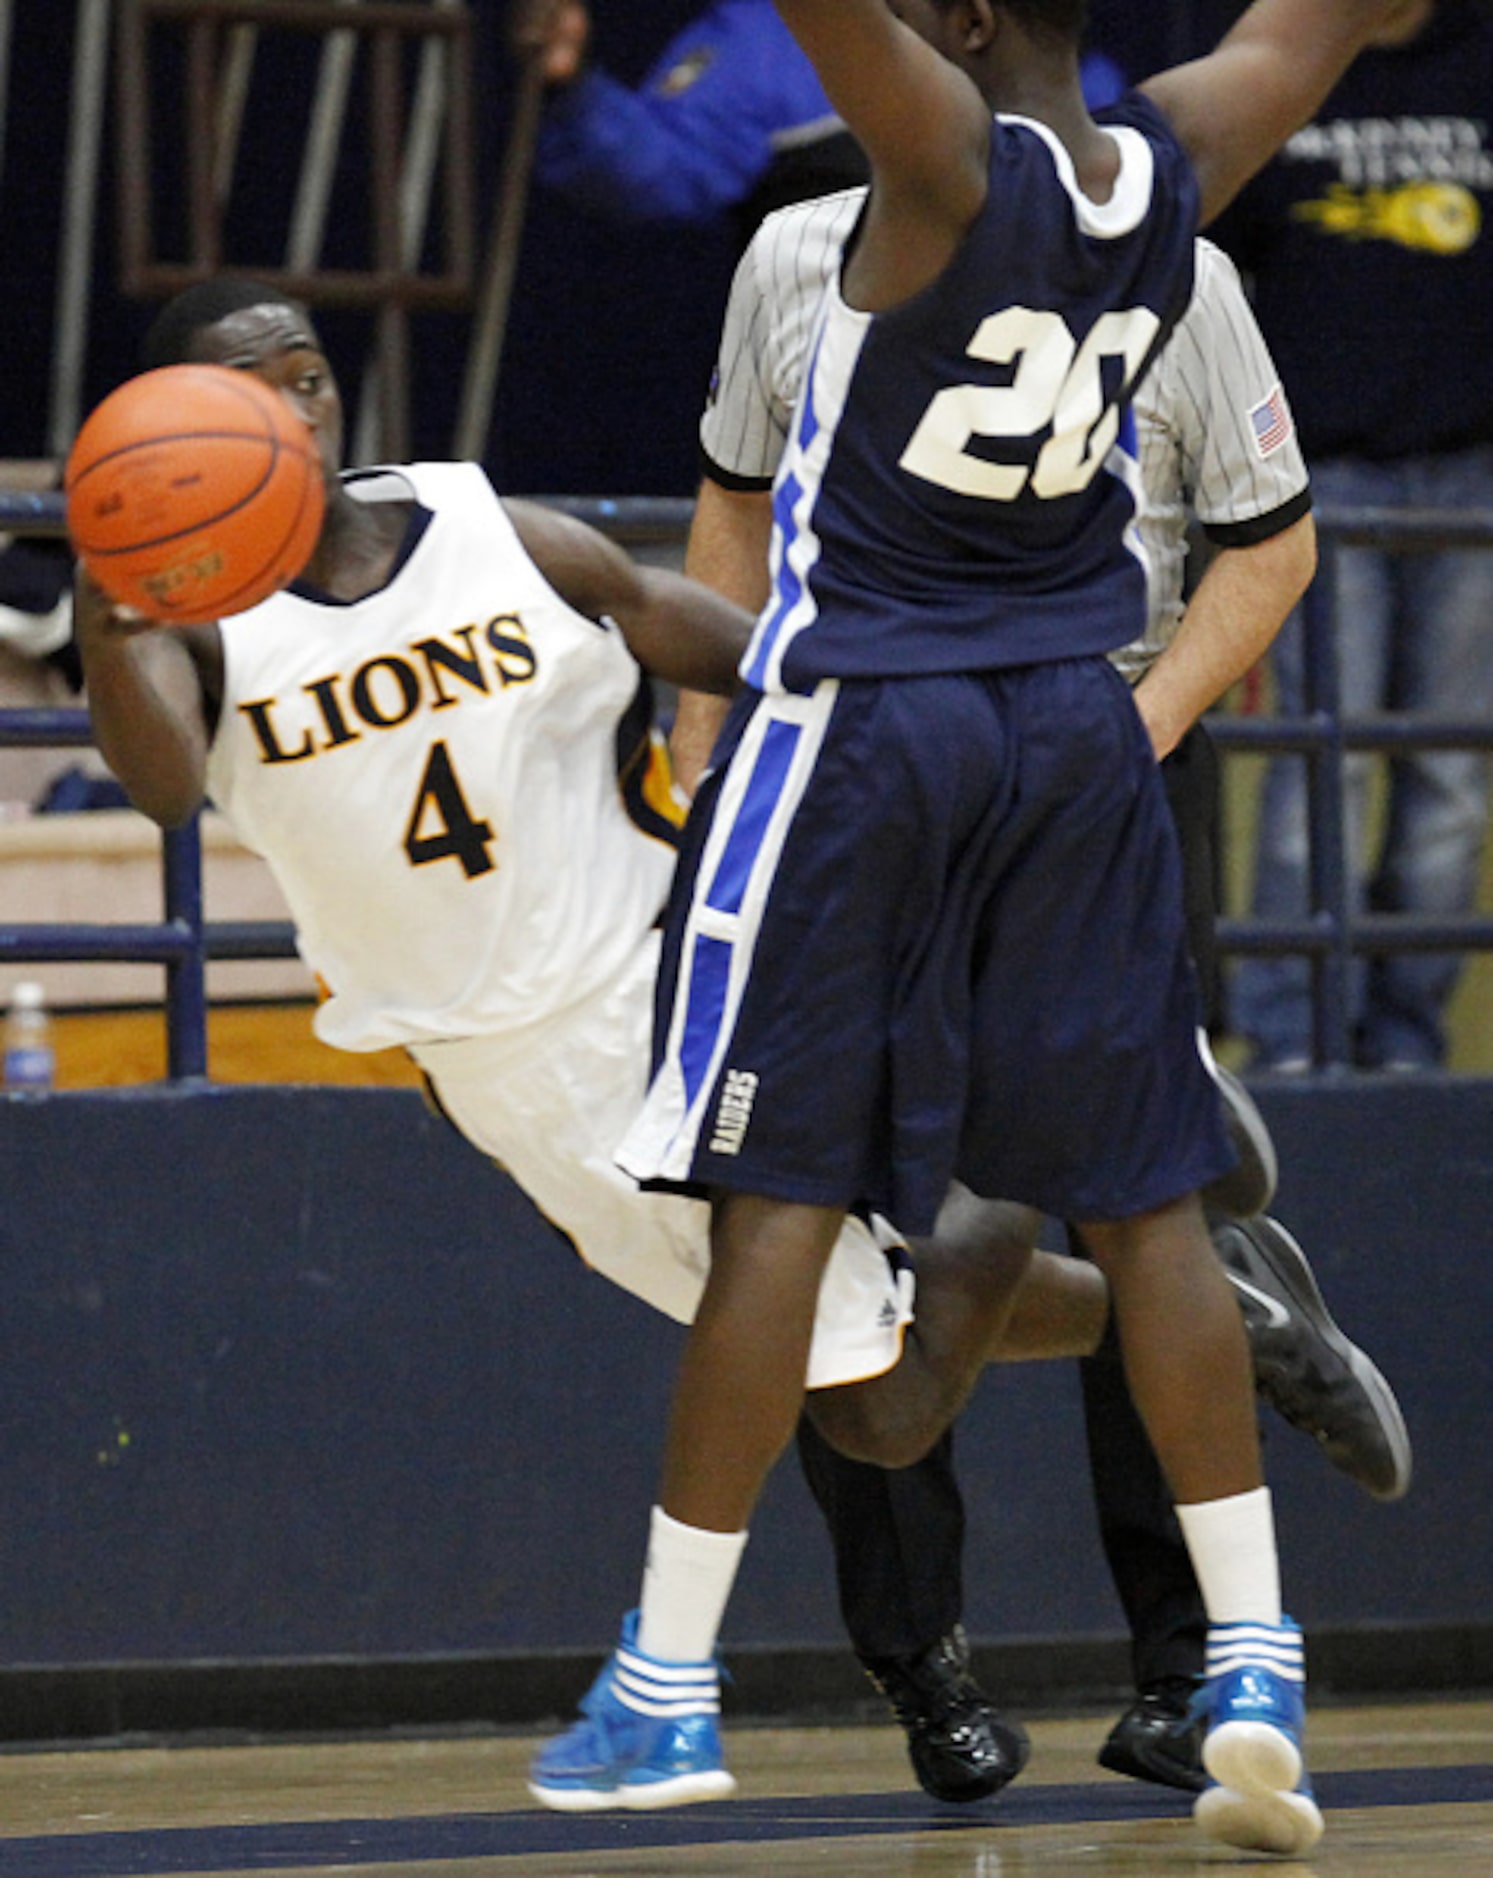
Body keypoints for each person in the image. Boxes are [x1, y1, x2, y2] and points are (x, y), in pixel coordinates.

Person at [74, 277, 1397, 1828]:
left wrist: (874, 701)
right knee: (883, 1397)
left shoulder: (484, 525)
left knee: (873, 1399)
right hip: (519, 1077)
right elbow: (163, 786)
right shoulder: (195, 622)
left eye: (304, 375)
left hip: (675, 974)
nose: (289, 407)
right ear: (175, 430)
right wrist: (110, 598)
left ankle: (1074, 1120)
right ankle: (1207, 1283)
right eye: (242, 390)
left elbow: (688, 626)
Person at [534, 0, 1406, 1857]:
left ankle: (664, 1686)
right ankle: (1256, 1652)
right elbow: (1320, 23)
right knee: (1146, 1202)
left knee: (774, 1199)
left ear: (963, 21)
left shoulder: (930, 169)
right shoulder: (1161, 166)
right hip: (1069, 726)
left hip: (876, 727)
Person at [1218, 0, 1493, 1072]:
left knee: (1445, 778)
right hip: (1314, 474)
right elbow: (1206, 267)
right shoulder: (1276, 60)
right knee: (1314, 766)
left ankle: (1406, 1045)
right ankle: (1294, 1045)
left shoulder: (1479, 54)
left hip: (1468, 473)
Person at [510, 0, 1126, 244]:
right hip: (836, 393)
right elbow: (658, 171)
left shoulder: (1026, 28)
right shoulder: (766, 37)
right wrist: (575, 87)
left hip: (1040, 395)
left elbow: (1121, 192)